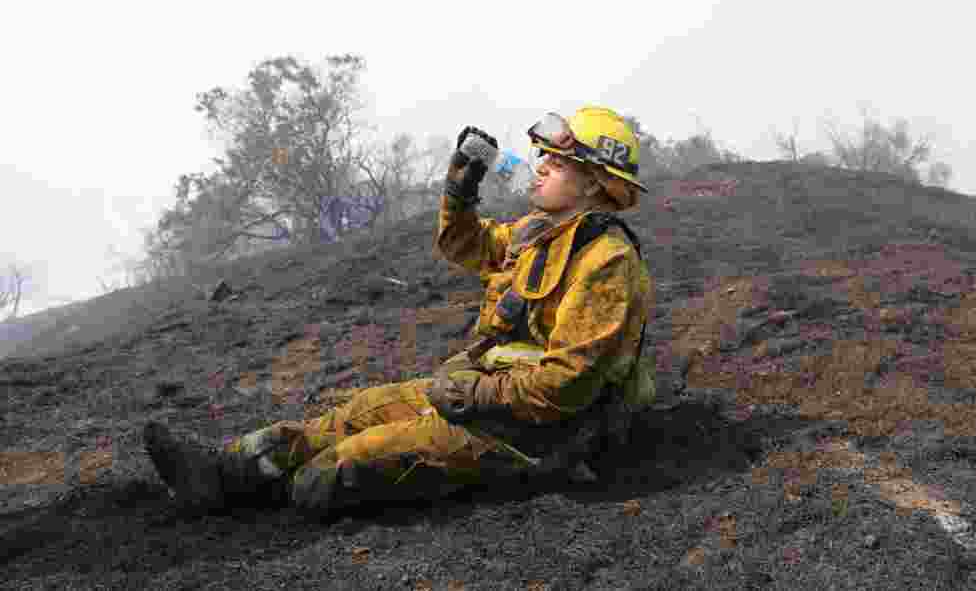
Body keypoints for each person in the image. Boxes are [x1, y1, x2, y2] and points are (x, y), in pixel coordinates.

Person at [143, 106, 655, 521]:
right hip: (486, 397)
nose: (539, 165)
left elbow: (567, 386)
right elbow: (463, 243)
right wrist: (461, 184)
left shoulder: (606, 260)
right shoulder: (535, 232)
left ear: (595, 184)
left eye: (558, 163)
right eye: (542, 154)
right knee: (353, 415)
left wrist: (470, 391)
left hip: (536, 433)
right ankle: (221, 471)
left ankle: (258, 497)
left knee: (329, 472)